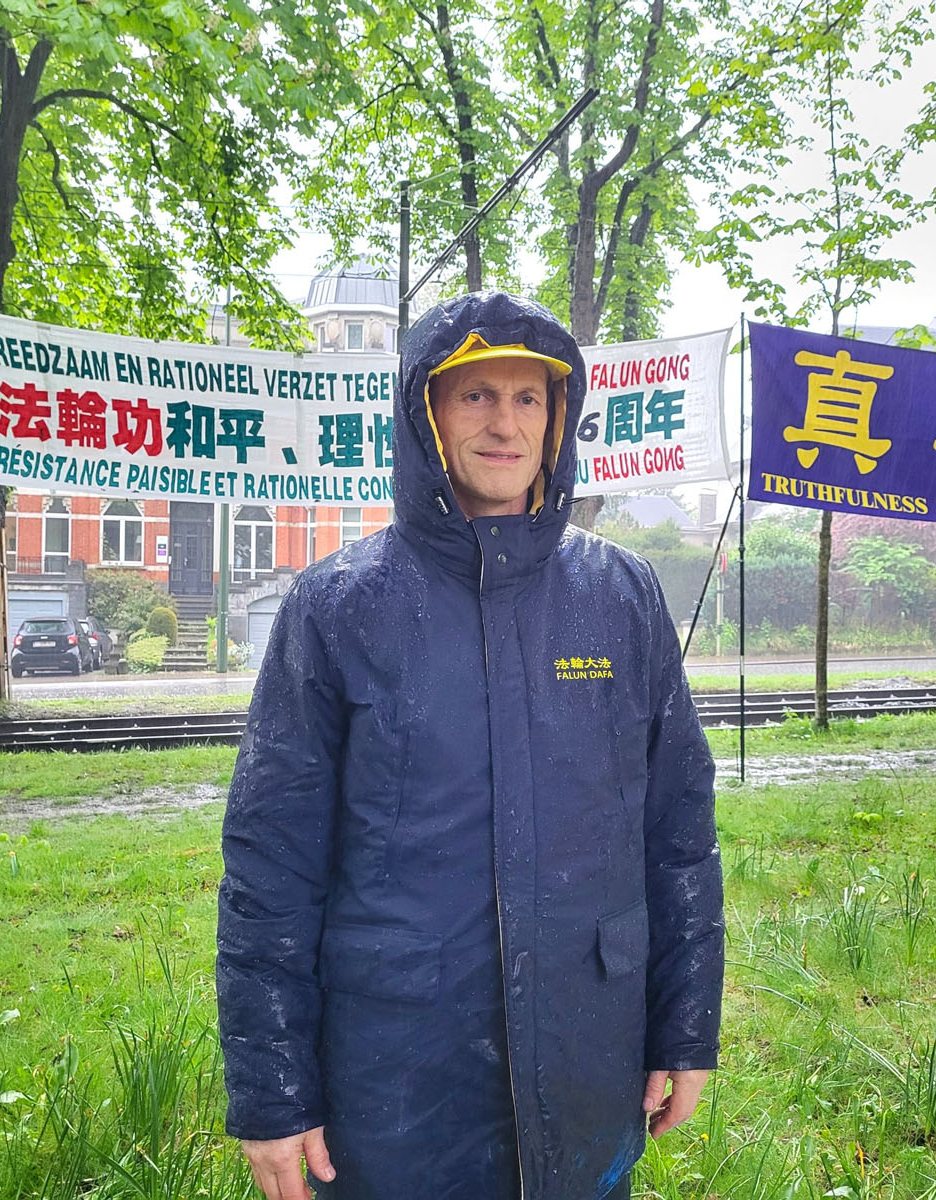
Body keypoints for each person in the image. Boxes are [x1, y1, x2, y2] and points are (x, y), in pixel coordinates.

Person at [216, 291, 723, 1200]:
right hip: (398, 1070)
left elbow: (678, 831)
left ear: (558, 418)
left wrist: (685, 1029)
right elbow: (272, 864)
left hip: (587, 1045)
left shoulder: (621, 596)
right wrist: (273, 1091)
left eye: (528, 398)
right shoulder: (337, 607)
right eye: (476, 395)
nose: (505, 423)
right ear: (427, 414)